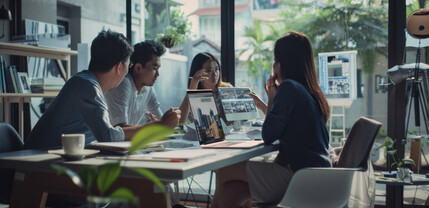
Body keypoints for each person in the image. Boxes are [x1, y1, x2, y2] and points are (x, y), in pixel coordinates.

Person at [210, 31, 331, 208]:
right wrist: (266, 104)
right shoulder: (309, 91)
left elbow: (268, 134)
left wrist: (272, 99)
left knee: (224, 170)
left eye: (276, 60)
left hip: (298, 175)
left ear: (285, 62)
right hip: (315, 175)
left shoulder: (289, 87)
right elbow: (283, 126)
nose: (274, 66)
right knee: (232, 189)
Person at [24, 30, 134, 149]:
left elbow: (107, 131)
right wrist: (151, 128)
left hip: (54, 156)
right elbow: (108, 136)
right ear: (118, 67)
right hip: (37, 159)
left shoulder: (84, 81)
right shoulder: (88, 86)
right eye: (129, 64)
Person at [104, 40, 180, 130]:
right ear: (138, 68)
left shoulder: (148, 89)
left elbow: (162, 121)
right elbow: (119, 130)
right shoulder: (123, 84)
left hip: (124, 143)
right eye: (154, 68)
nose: (158, 74)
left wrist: (168, 120)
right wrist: (158, 124)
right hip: (98, 142)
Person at [179, 52, 230, 124]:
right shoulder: (195, 93)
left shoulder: (227, 90)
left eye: (216, 69)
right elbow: (180, 122)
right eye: (209, 70)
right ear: (198, 72)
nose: (215, 74)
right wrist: (194, 83)